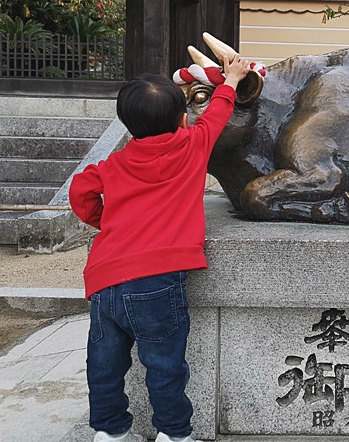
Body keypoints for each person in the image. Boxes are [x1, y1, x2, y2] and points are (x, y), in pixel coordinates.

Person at [70, 54, 251, 442]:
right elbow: (217, 113)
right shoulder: (193, 146)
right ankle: (173, 433)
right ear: (183, 119)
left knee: (104, 364)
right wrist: (232, 80)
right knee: (164, 364)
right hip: (156, 281)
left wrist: (106, 220)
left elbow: (80, 189)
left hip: (105, 281)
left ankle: (110, 430)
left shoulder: (114, 163)